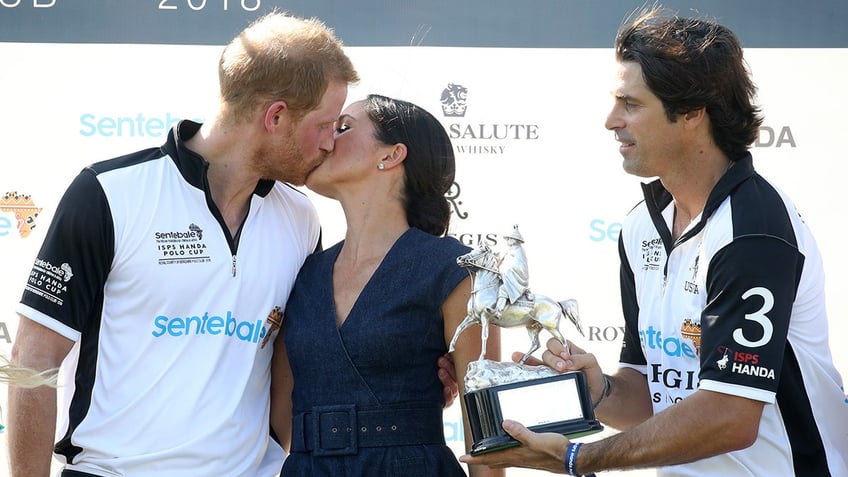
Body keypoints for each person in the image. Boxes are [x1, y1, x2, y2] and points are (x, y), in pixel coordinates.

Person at [460, 6, 848, 476]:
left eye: (631, 104)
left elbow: (730, 416)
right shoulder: (641, 224)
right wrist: (598, 389)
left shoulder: (753, 230)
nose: (610, 120)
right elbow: (654, 395)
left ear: (690, 112)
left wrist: (577, 459)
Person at [8, 12, 364, 477]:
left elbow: (299, 362)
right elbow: (33, 358)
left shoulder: (301, 217)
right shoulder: (110, 192)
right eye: (327, 124)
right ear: (276, 116)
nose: (330, 144)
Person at [270, 94, 504, 477]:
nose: (327, 138)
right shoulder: (303, 274)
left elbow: (488, 438)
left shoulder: (458, 270)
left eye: (343, 127)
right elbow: (279, 423)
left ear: (392, 155)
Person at [491, 225, 532, 317]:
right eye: (508, 239)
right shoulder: (509, 250)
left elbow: (519, 266)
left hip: (516, 279)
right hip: (507, 276)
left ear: (515, 240)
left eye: (510, 239)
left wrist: (505, 272)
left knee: (503, 289)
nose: (508, 240)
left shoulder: (519, 251)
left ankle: (498, 311)